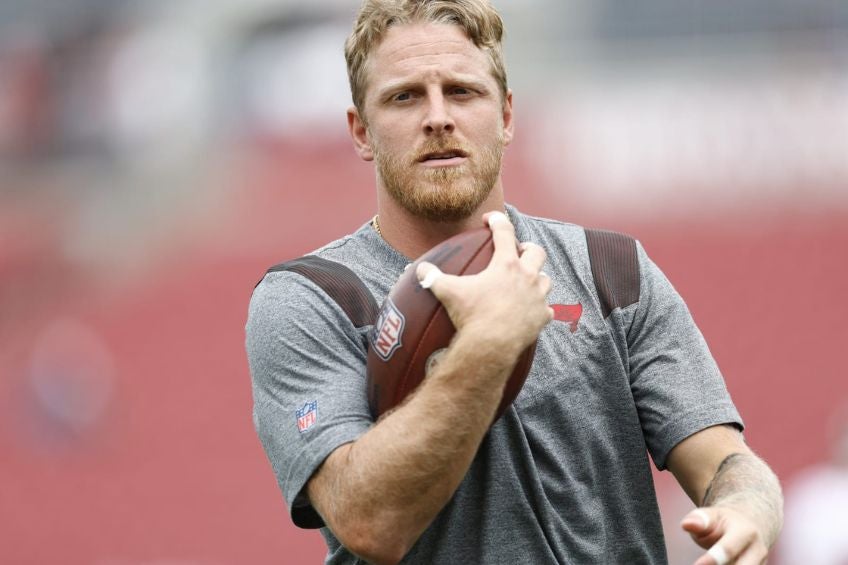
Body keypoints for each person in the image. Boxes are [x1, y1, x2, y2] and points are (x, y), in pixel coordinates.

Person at [246, 1, 783, 563]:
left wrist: (747, 507)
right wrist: (489, 343)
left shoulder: (611, 270)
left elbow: (727, 463)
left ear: (505, 117)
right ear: (361, 132)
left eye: (462, 92)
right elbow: (369, 522)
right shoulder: (312, 299)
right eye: (404, 97)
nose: (438, 118)